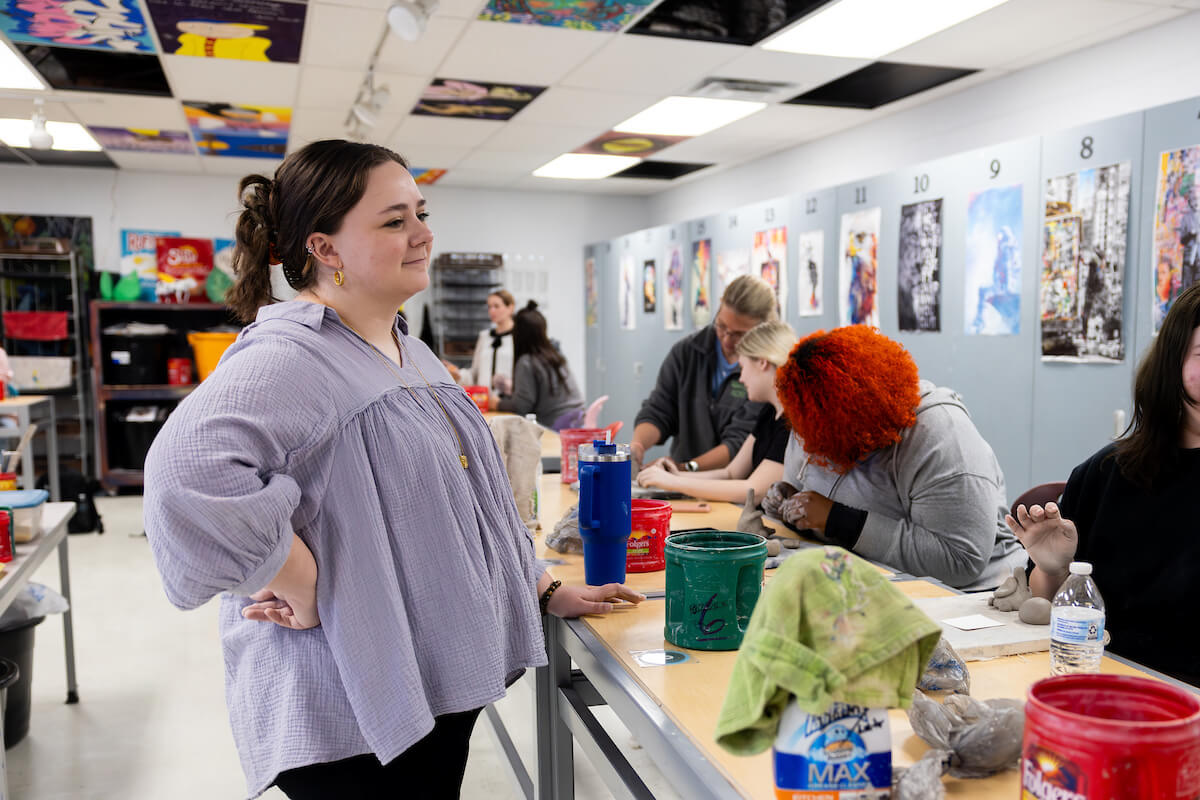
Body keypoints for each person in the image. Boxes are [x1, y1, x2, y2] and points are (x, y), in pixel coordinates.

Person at [141, 139, 643, 800]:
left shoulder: (406, 348)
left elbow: (468, 502)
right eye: (394, 220)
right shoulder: (291, 359)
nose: (423, 234)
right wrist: (301, 580)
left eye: (420, 213)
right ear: (324, 249)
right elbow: (183, 479)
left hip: (430, 692)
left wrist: (541, 586)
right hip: (356, 725)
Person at [1006, 282, 1200, 684]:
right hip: (1102, 685)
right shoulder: (1105, 473)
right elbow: (1047, 601)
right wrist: (1051, 567)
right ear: (1173, 363)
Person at [763, 325, 1026, 591]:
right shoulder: (810, 416)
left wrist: (837, 520)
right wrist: (787, 503)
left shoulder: (942, 437)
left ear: (857, 424)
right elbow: (811, 504)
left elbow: (960, 560)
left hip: (969, 595)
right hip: (864, 578)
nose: (811, 447)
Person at [635, 320, 796, 503]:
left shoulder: (792, 422)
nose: (741, 379)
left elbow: (754, 490)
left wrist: (673, 482)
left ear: (762, 363)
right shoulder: (769, 412)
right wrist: (676, 474)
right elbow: (730, 473)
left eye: (743, 368)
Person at [630, 274, 777, 473]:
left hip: (736, 486)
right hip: (686, 481)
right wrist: (637, 446)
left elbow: (739, 443)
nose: (726, 339)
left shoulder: (766, 372)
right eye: (721, 326)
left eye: (739, 334)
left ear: (763, 330)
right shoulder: (687, 352)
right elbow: (659, 410)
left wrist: (682, 470)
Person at [489, 301, 584, 430]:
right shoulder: (555, 355)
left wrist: (497, 404)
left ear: (518, 335)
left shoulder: (526, 362)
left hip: (555, 426)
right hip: (578, 421)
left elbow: (521, 406)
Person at [443, 289, 515, 392]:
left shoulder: (518, 337)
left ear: (510, 308)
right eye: (489, 306)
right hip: (483, 400)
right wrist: (458, 374)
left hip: (508, 402)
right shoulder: (484, 336)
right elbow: (475, 374)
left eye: (496, 306)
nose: (491, 311)